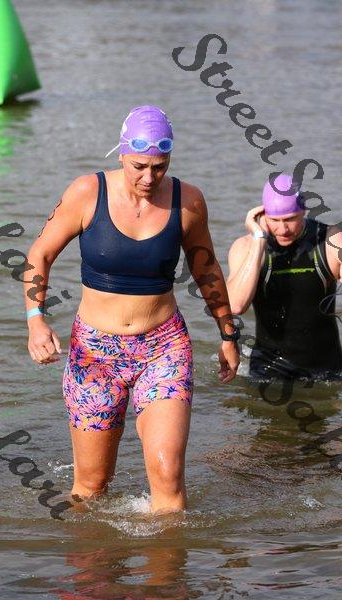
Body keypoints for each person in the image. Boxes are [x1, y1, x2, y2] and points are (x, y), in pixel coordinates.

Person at [24, 105, 240, 514]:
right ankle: (94, 557)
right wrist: (36, 320)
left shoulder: (188, 201)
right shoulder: (87, 193)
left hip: (164, 349)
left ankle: (168, 558)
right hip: (94, 353)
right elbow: (40, 255)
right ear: (122, 153)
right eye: (139, 166)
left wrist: (229, 334)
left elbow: (207, 270)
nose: (149, 177)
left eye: (159, 167)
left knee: (168, 475)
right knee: (92, 487)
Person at [227, 173, 342, 381]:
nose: (283, 229)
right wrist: (259, 240)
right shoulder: (245, 247)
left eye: (290, 219)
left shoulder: (330, 241)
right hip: (266, 373)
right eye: (274, 220)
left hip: (327, 372)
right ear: (263, 214)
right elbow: (235, 305)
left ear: (303, 211)